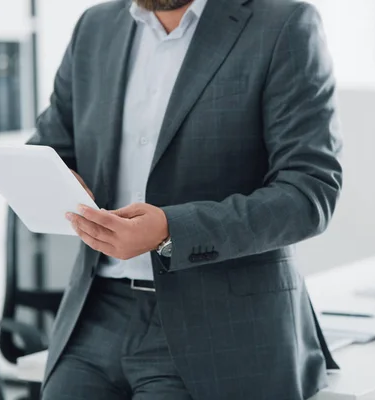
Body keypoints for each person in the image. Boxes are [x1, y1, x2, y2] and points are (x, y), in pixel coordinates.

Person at [29, 0, 342, 398]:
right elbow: (49, 148)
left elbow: (309, 193)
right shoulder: (95, 26)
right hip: (95, 314)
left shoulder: (284, 25)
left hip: (219, 324)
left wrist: (170, 230)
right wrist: (59, 182)